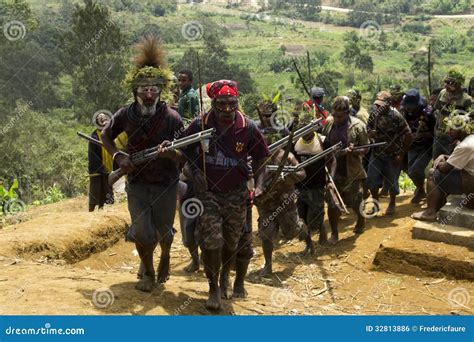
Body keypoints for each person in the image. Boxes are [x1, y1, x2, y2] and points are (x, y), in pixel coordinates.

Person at [101, 36, 184, 293]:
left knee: (163, 231)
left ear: (161, 91)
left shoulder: (172, 118)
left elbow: (184, 154)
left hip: (166, 184)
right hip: (136, 183)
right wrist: (118, 157)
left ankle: (166, 256)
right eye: (144, 90)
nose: (149, 95)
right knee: (142, 231)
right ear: (135, 91)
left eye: (153, 90)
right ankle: (147, 272)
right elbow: (106, 136)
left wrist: (169, 153)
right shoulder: (125, 114)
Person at [184, 79, 269, 310]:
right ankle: (213, 288)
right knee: (212, 241)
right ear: (213, 104)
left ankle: (225, 277)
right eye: (221, 104)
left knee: (231, 242)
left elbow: (263, 156)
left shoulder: (248, 127)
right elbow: (183, 147)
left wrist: (259, 185)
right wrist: (194, 171)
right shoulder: (200, 123)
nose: (227, 110)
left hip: (236, 193)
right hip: (209, 192)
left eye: (232, 104)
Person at [255, 137, 314, 277]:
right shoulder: (257, 158)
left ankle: (307, 238)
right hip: (266, 204)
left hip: (285, 202)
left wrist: (289, 174)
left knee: (292, 231)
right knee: (266, 234)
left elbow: (302, 174)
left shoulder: (287, 156)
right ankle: (268, 265)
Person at [321, 96, 370, 243]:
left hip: (352, 170)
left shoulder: (358, 126)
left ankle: (361, 220)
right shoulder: (329, 123)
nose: (336, 118)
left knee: (355, 200)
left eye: (340, 116)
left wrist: (354, 151)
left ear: (348, 113)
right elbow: (323, 142)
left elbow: (366, 148)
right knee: (332, 202)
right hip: (333, 170)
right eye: (334, 115)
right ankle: (335, 233)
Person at [412, 112, 474, 221]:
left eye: (451, 129)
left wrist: (438, 163)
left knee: (433, 174)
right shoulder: (470, 140)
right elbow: (459, 160)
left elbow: (445, 168)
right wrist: (445, 156)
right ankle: (438, 205)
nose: (448, 131)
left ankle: (430, 212)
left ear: (460, 130)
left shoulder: (464, 146)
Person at [366, 91, 412, 216]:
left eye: (381, 105)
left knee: (392, 181)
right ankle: (376, 204)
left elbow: (408, 134)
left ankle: (392, 203)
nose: (378, 107)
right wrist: (371, 133)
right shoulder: (374, 115)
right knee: (371, 179)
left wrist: (401, 155)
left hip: (393, 154)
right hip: (377, 153)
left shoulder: (396, 116)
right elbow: (368, 129)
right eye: (377, 105)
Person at [294, 111, 332, 244]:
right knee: (302, 217)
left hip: (317, 186)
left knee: (315, 217)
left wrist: (330, 180)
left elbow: (332, 159)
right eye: (302, 129)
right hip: (300, 187)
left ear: (314, 128)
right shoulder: (295, 143)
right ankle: (309, 244)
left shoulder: (323, 141)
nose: (305, 133)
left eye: (308, 129)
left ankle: (322, 234)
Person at [399, 89, 436, 204]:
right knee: (410, 170)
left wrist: (422, 134)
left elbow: (436, 132)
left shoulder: (428, 112)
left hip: (426, 146)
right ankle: (420, 189)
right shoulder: (404, 112)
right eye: (406, 106)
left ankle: (421, 190)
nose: (408, 108)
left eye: (410, 106)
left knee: (415, 170)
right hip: (412, 145)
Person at [432, 69, 472, 160]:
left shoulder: (466, 100)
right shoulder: (442, 93)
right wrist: (435, 129)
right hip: (439, 135)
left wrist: (459, 139)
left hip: (453, 138)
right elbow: (438, 111)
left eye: (450, 82)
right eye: (445, 82)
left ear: (458, 83)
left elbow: (468, 123)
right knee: (436, 162)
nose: (446, 85)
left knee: (450, 163)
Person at [88, 113, 114, 212]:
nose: (103, 121)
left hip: (108, 168)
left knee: (107, 190)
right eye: (101, 120)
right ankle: (91, 211)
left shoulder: (108, 134)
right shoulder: (94, 137)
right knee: (96, 191)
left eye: (104, 119)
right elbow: (93, 156)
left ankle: (103, 210)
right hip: (97, 169)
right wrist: (102, 168)